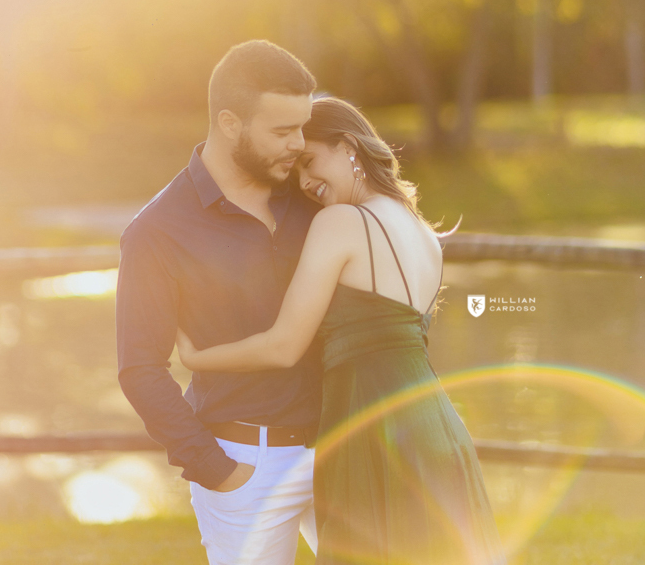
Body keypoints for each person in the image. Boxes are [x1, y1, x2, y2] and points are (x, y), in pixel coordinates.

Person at [178, 96, 507, 565]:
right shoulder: (425, 234)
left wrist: (197, 357)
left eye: (310, 162)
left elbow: (284, 345)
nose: (307, 183)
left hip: (374, 432)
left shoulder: (341, 223)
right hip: (436, 429)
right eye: (297, 174)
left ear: (349, 146)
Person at [116, 39, 323, 565]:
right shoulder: (158, 231)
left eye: (302, 126)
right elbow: (141, 369)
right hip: (244, 468)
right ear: (230, 123)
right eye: (282, 131)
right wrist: (217, 470)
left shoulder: (314, 197)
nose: (299, 143)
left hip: (339, 449)